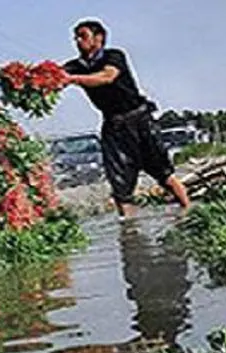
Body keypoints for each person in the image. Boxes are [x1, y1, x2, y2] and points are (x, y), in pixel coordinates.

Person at [60, 20, 192, 218]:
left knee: (164, 174)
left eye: (83, 36)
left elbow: (107, 77)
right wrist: (37, 79)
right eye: (76, 37)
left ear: (99, 38)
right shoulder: (75, 66)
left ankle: (189, 212)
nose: (78, 41)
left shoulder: (114, 56)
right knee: (120, 186)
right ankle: (130, 232)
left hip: (139, 120)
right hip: (114, 126)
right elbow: (56, 76)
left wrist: (72, 80)